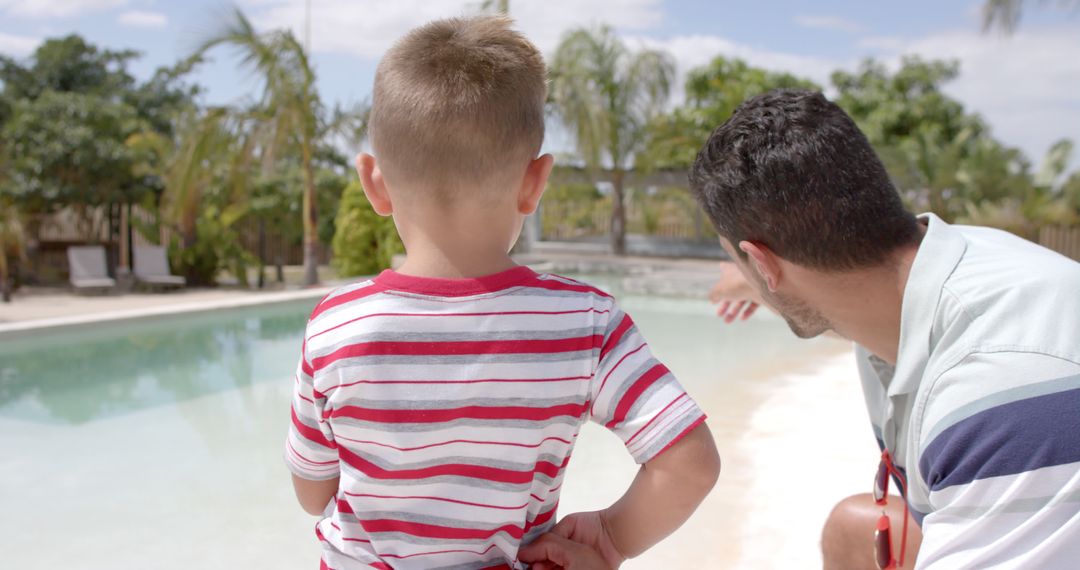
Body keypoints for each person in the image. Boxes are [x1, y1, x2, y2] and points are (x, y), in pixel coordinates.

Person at [283, 16, 720, 570]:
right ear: (535, 182)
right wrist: (611, 538)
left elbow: (312, 494)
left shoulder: (335, 326)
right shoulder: (586, 322)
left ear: (374, 183)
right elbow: (690, 463)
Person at [690, 89, 1080, 568]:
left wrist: (761, 282)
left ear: (763, 262)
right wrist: (751, 284)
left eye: (735, 259)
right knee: (855, 529)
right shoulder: (931, 271)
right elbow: (808, 289)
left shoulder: (1001, 387)